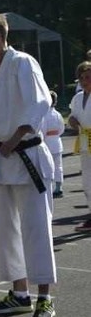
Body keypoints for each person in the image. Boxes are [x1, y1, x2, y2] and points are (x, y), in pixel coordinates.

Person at [0, 13, 56, 317]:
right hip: (3, 161)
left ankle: (44, 297)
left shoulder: (22, 63)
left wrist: (17, 135)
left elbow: (41, 102)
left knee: (36, 228)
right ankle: (20, 294)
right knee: (6, 232)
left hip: (28, 154)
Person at [68, 61, 91, 231]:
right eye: (82, 78)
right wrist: (72, 121)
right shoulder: (77, 98)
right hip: (84, 142)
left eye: (88, 77)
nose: (85, 81)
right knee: (87, 182)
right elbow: (72, 116)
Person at [42, 91, 64, 199]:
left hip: (48, 143)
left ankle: (49, 187)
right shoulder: (58, 114)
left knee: (48, 166)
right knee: (58, 166)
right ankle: (59, 187)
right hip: (57, 142)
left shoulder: (44, 115)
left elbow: (43, 130)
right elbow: (61, 129)